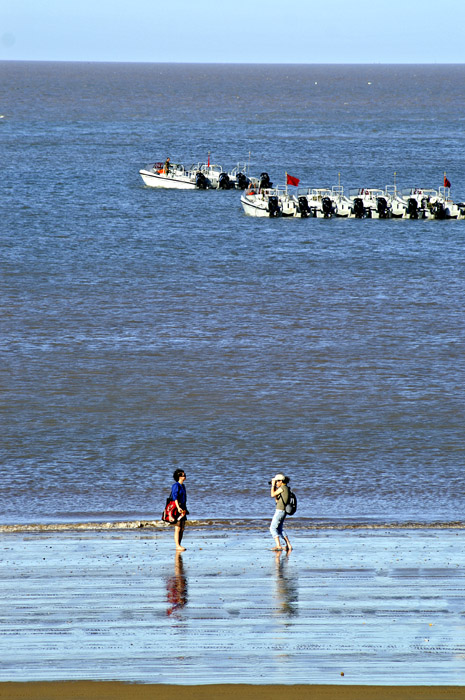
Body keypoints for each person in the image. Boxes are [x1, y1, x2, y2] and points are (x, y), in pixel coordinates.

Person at [269, 473, 292, 552]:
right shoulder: (286, 488)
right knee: (279, 529)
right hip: (282, 511)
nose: (276, 483)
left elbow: (272, 494)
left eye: (277, 482)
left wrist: (272, 486)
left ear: (281, 481)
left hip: (280, 511)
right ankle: (288, 545)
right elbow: (277, 500)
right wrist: (275, 487)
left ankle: (278, 545)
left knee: (272, 528)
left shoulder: (283, 488)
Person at [171, 469, 188, 551]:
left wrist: (185, 508)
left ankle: (179, 544)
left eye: (185, 475)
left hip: (183, 507)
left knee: (182, 528)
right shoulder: (176, 486)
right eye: (183, 475)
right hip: (178, 508)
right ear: (179, 477)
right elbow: (175, 497)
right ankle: (177, 545)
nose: (185, 476)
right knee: (177, 527)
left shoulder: (183, 486)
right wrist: (178, 507)